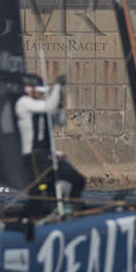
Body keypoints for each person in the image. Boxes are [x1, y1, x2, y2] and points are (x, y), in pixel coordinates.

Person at [17, 73, 85, 208]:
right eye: (39, 91)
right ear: (29, 89)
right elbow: (48, 106)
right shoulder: (23, 103)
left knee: (78, 180)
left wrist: (60, 106)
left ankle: (74, 209)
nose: (41, 94)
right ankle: (31, 215)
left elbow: (61, 121)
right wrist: (57, 86)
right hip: (33, 156)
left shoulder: (43, 105)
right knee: (39, 193)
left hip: (47, 155)